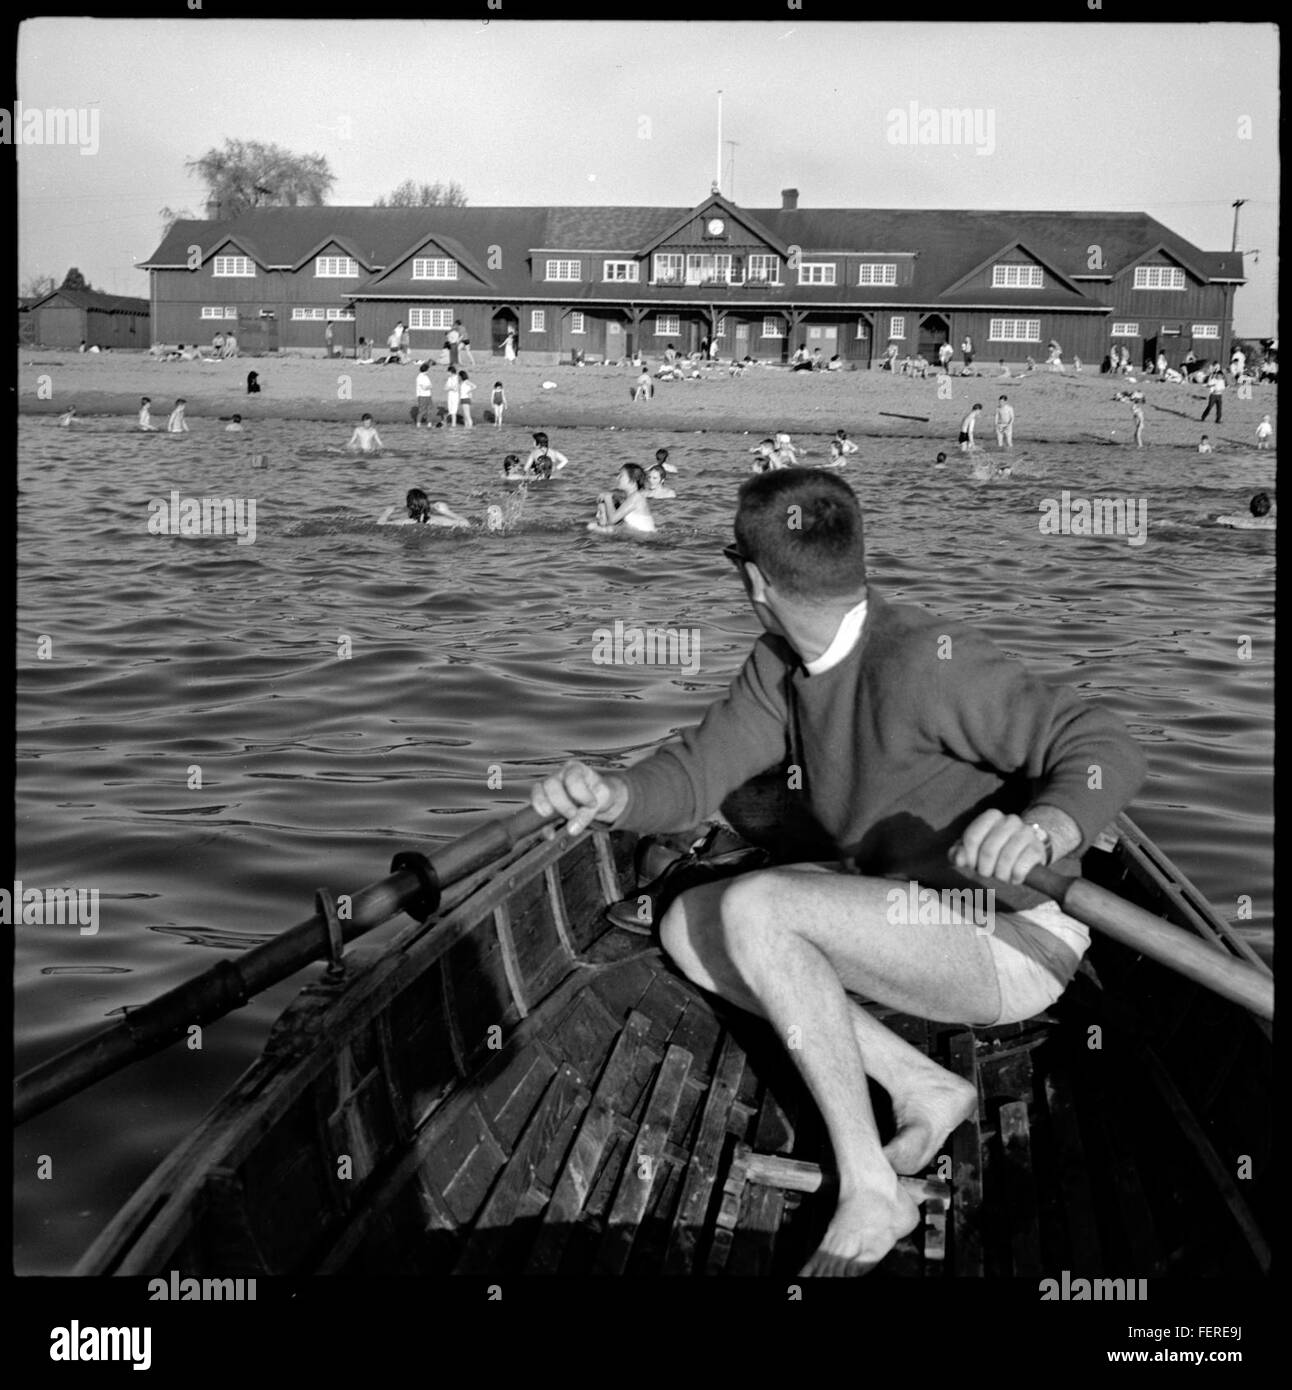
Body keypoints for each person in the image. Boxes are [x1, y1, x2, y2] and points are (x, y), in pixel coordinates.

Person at [531, 468, 1146, 1275]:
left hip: (1017, 938)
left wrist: (1047, 823)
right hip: (904, 914)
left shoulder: (925, 658)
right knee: (689, 923)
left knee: (756, 907)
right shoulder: (777, 667)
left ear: (751, 578)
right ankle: (925, 1086)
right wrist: (613, 793)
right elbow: (692, 775)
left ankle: (871, 1188)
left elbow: (1105, 745)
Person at [588, 464, 656, 535]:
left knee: (592, 526)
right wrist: (611, 495)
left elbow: (612, 520)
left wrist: (608, 498)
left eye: (621, 476)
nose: (617, 478)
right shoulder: (632, 497)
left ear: (632, 480)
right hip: (643, 537)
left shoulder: (636, 497)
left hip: (647, 538)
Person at [378, 487, 470, 528]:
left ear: (409, 507)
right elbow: (466, 524)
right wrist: (446, 511)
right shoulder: (439, 521)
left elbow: (380, 524)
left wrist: (387, 512)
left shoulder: (404, 522)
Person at [411, 362, 433, 427]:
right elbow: (424, 387)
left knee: (429, 410)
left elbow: (430, 386)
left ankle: (429, 423)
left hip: (428, 395)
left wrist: (428, 387)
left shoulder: (426, 377)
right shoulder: (419, 377)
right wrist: (428, 387)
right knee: (422, 410)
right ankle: (418, 423)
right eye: (428, 370)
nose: (428, 371)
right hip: (422, 396)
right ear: (426, 370)